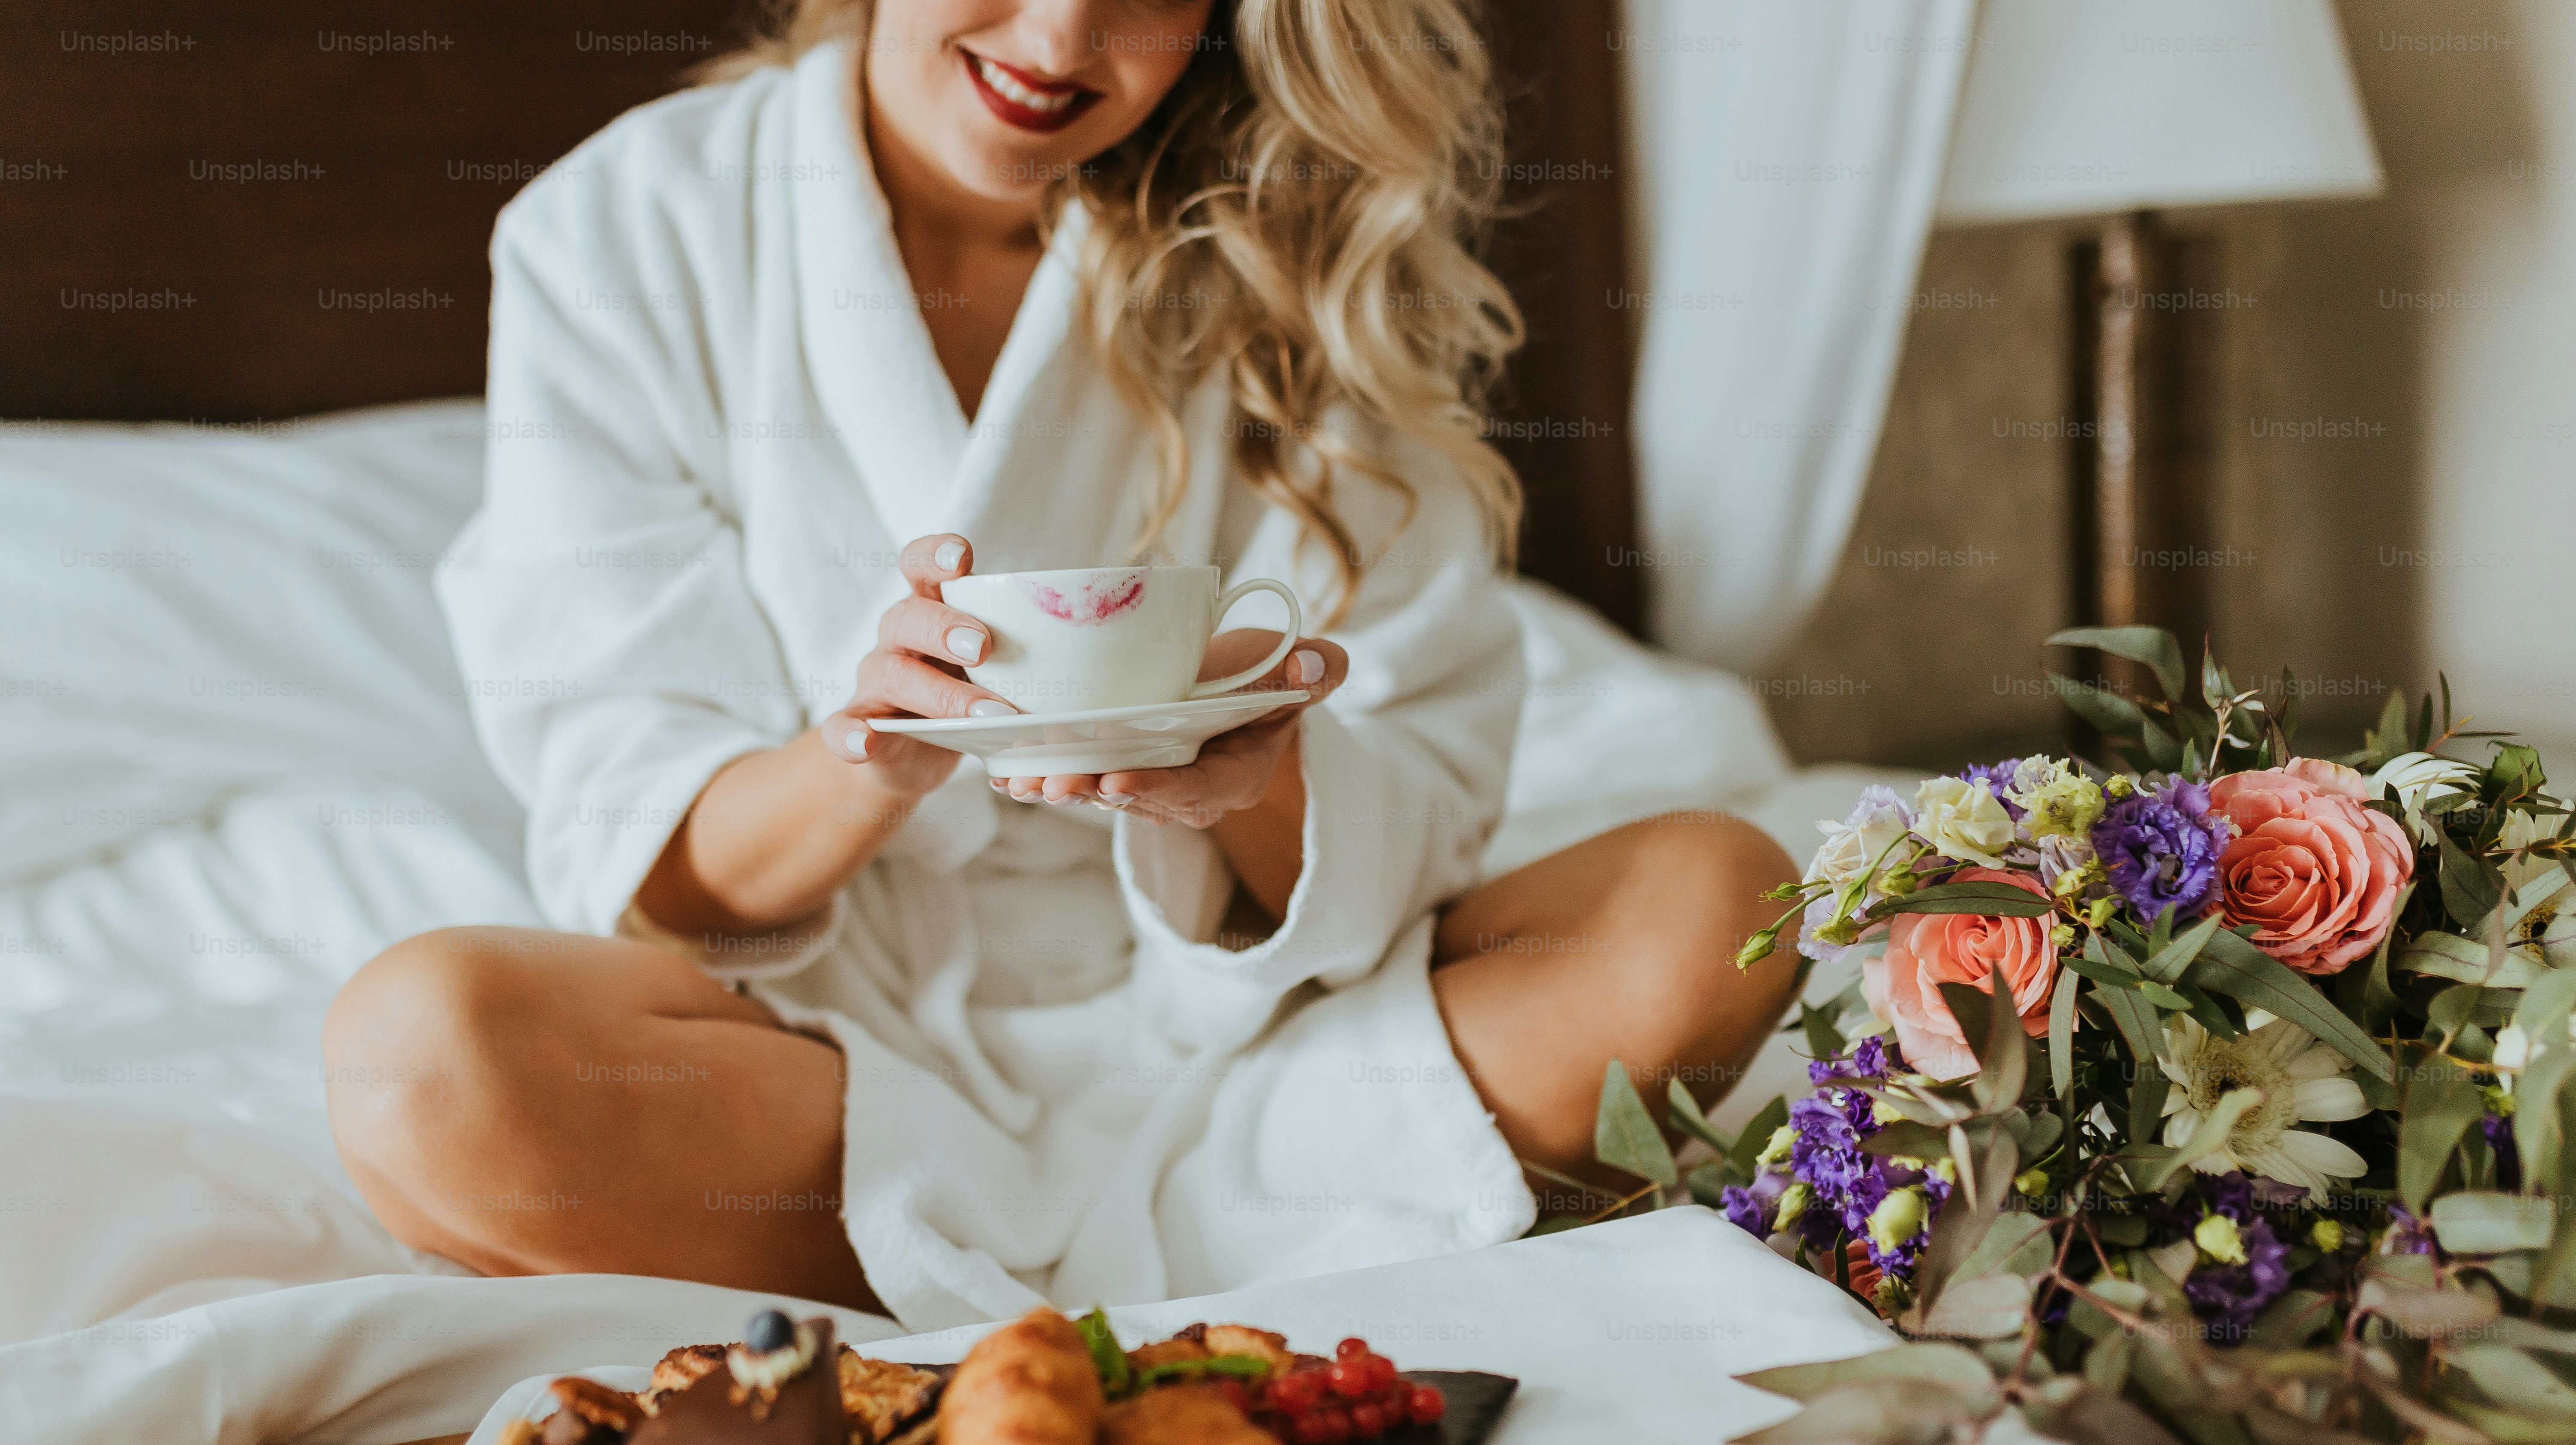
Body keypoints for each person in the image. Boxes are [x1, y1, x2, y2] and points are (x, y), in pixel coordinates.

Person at [325, 0, 1798, 1328]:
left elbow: (1423, 797)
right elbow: (646, 863)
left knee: (1720, 898)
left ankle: (949, 1277)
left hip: (1269, 1038)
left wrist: (1256, 782)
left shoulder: (1306, 231)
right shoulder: (628, 232)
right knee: (421, 1060)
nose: (1058, 40)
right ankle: (1287, 1236)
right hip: (824, 1069)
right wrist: (870, 754)